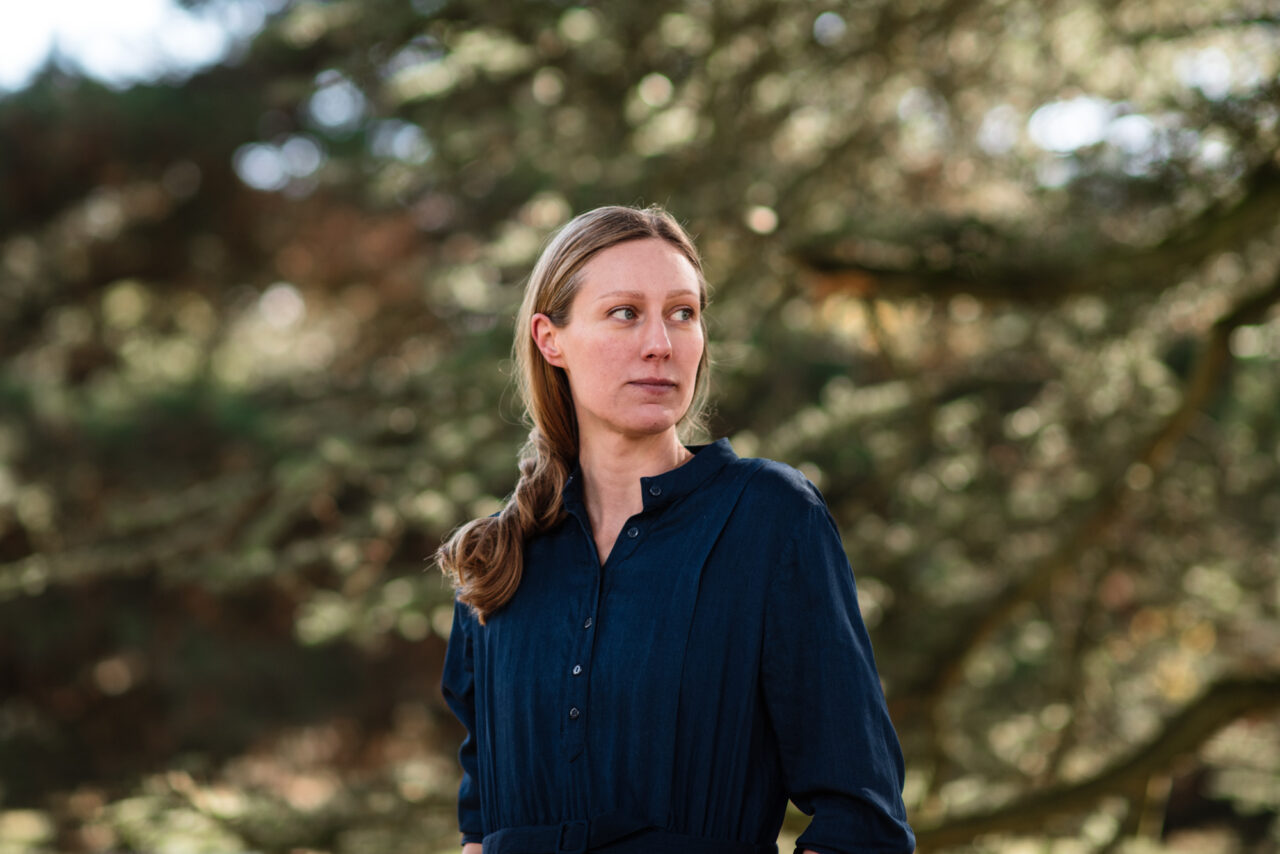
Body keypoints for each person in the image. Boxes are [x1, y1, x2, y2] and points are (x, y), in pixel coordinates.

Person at [437, 204, 915, 854]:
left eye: (683, 313)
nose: (661, 342)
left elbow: (864, 824)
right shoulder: (499, 558)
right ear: (552, 340)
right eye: (625, 312)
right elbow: (480, 832)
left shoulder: (769, 519)